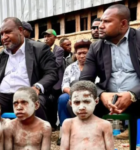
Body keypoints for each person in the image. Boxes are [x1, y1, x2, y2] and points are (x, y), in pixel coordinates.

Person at [80, 4, 140, 144]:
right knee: (75, 100)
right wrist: (101, 94)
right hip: (108, 99)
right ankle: (92, 144)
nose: (100, 26)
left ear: (123, 24)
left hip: (138, 96)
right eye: (101, 21)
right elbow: (83, 81)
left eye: (106, 21)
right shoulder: (96, 47)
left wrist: (132, 94)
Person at [0, 17, 58, 121]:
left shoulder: (40, 49)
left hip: (28, 93)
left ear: (20, 31)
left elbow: (52, 74)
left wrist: (36, 87)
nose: (4, 37)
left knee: (34, 105)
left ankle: (38, 136)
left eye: (8, 32)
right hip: (3, 95)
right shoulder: (1, 56)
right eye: (1, 34)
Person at [57, 39, 92, 145]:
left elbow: (98, 83)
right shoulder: (70, 68)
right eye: (79, 53)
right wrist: (74, 94)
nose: (82, 56)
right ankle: (64, 133)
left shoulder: (94, 66)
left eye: (85, 53)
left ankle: (88, 132)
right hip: (72, 94)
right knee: (63, 99)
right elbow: (64, 86)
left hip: (90, 94)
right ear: (75, 54)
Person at [60, 81, 114, 150]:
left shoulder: (104, 125)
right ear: (70, 103)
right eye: (77, 102)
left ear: (96, 101)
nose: (82, 107)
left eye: (87, 101)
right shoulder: (68, 124)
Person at [42, 29, 64, 129]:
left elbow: (57, 64)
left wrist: (45, 66)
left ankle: (54, 125)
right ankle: (48, 124)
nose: (46, 38)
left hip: (56, 82)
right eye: (45, 36)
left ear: (55, 38)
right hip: (45, 82)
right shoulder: (42, 49)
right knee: (46, 103)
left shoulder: (59, 50)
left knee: (54, 103)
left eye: (49, 36)